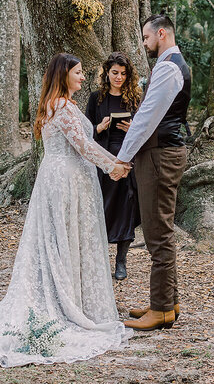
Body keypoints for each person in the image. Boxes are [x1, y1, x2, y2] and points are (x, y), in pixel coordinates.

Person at [0, 53, 132, 367]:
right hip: (65, 181)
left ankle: (71, 298)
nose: (83, 78)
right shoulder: (62, 106)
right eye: (79, 72)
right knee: (63, 240)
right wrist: (114, 165)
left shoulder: (55, 104)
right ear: (64, 75)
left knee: (61, 242)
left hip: (60, 178)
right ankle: (64, 304)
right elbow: (83, 147)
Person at [116, 14, 191, 332]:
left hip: (160, 156)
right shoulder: (174, 64)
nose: (144, 43)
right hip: (162, 152)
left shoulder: (168, 66)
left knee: (157, 233)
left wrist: (122, 158)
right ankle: (167, 302)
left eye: (146, 38)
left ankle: (161, 309)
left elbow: (147, 117)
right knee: (159, 229)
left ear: (162, 33)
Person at [86, 52, 142, 280]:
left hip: (127, 160)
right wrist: (99, 127)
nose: (119, 77)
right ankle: (98, 260)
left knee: (125, 208)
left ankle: (121, 261)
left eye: (123, 74)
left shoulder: (135, 99)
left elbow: (145, 131)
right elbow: (84, 133)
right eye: (115, 73)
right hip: (102, 159)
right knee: (101, 208)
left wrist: (132, 130)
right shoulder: (95, 98)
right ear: (106, 73)